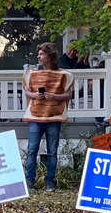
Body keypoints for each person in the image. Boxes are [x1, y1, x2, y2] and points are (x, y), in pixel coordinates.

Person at [22, 42, 74, 192]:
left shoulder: (62, 75)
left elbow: (68, 94)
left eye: (41, 54)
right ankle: (29, 181)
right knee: (32, 150)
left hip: (53, 117)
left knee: (52, 151)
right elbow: (27, 92)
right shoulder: (32, 74)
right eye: (38, 54)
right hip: (36, 117)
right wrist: (35, 95)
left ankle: (49, 182)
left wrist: (53, 96)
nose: (38, 56)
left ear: (49, 56)